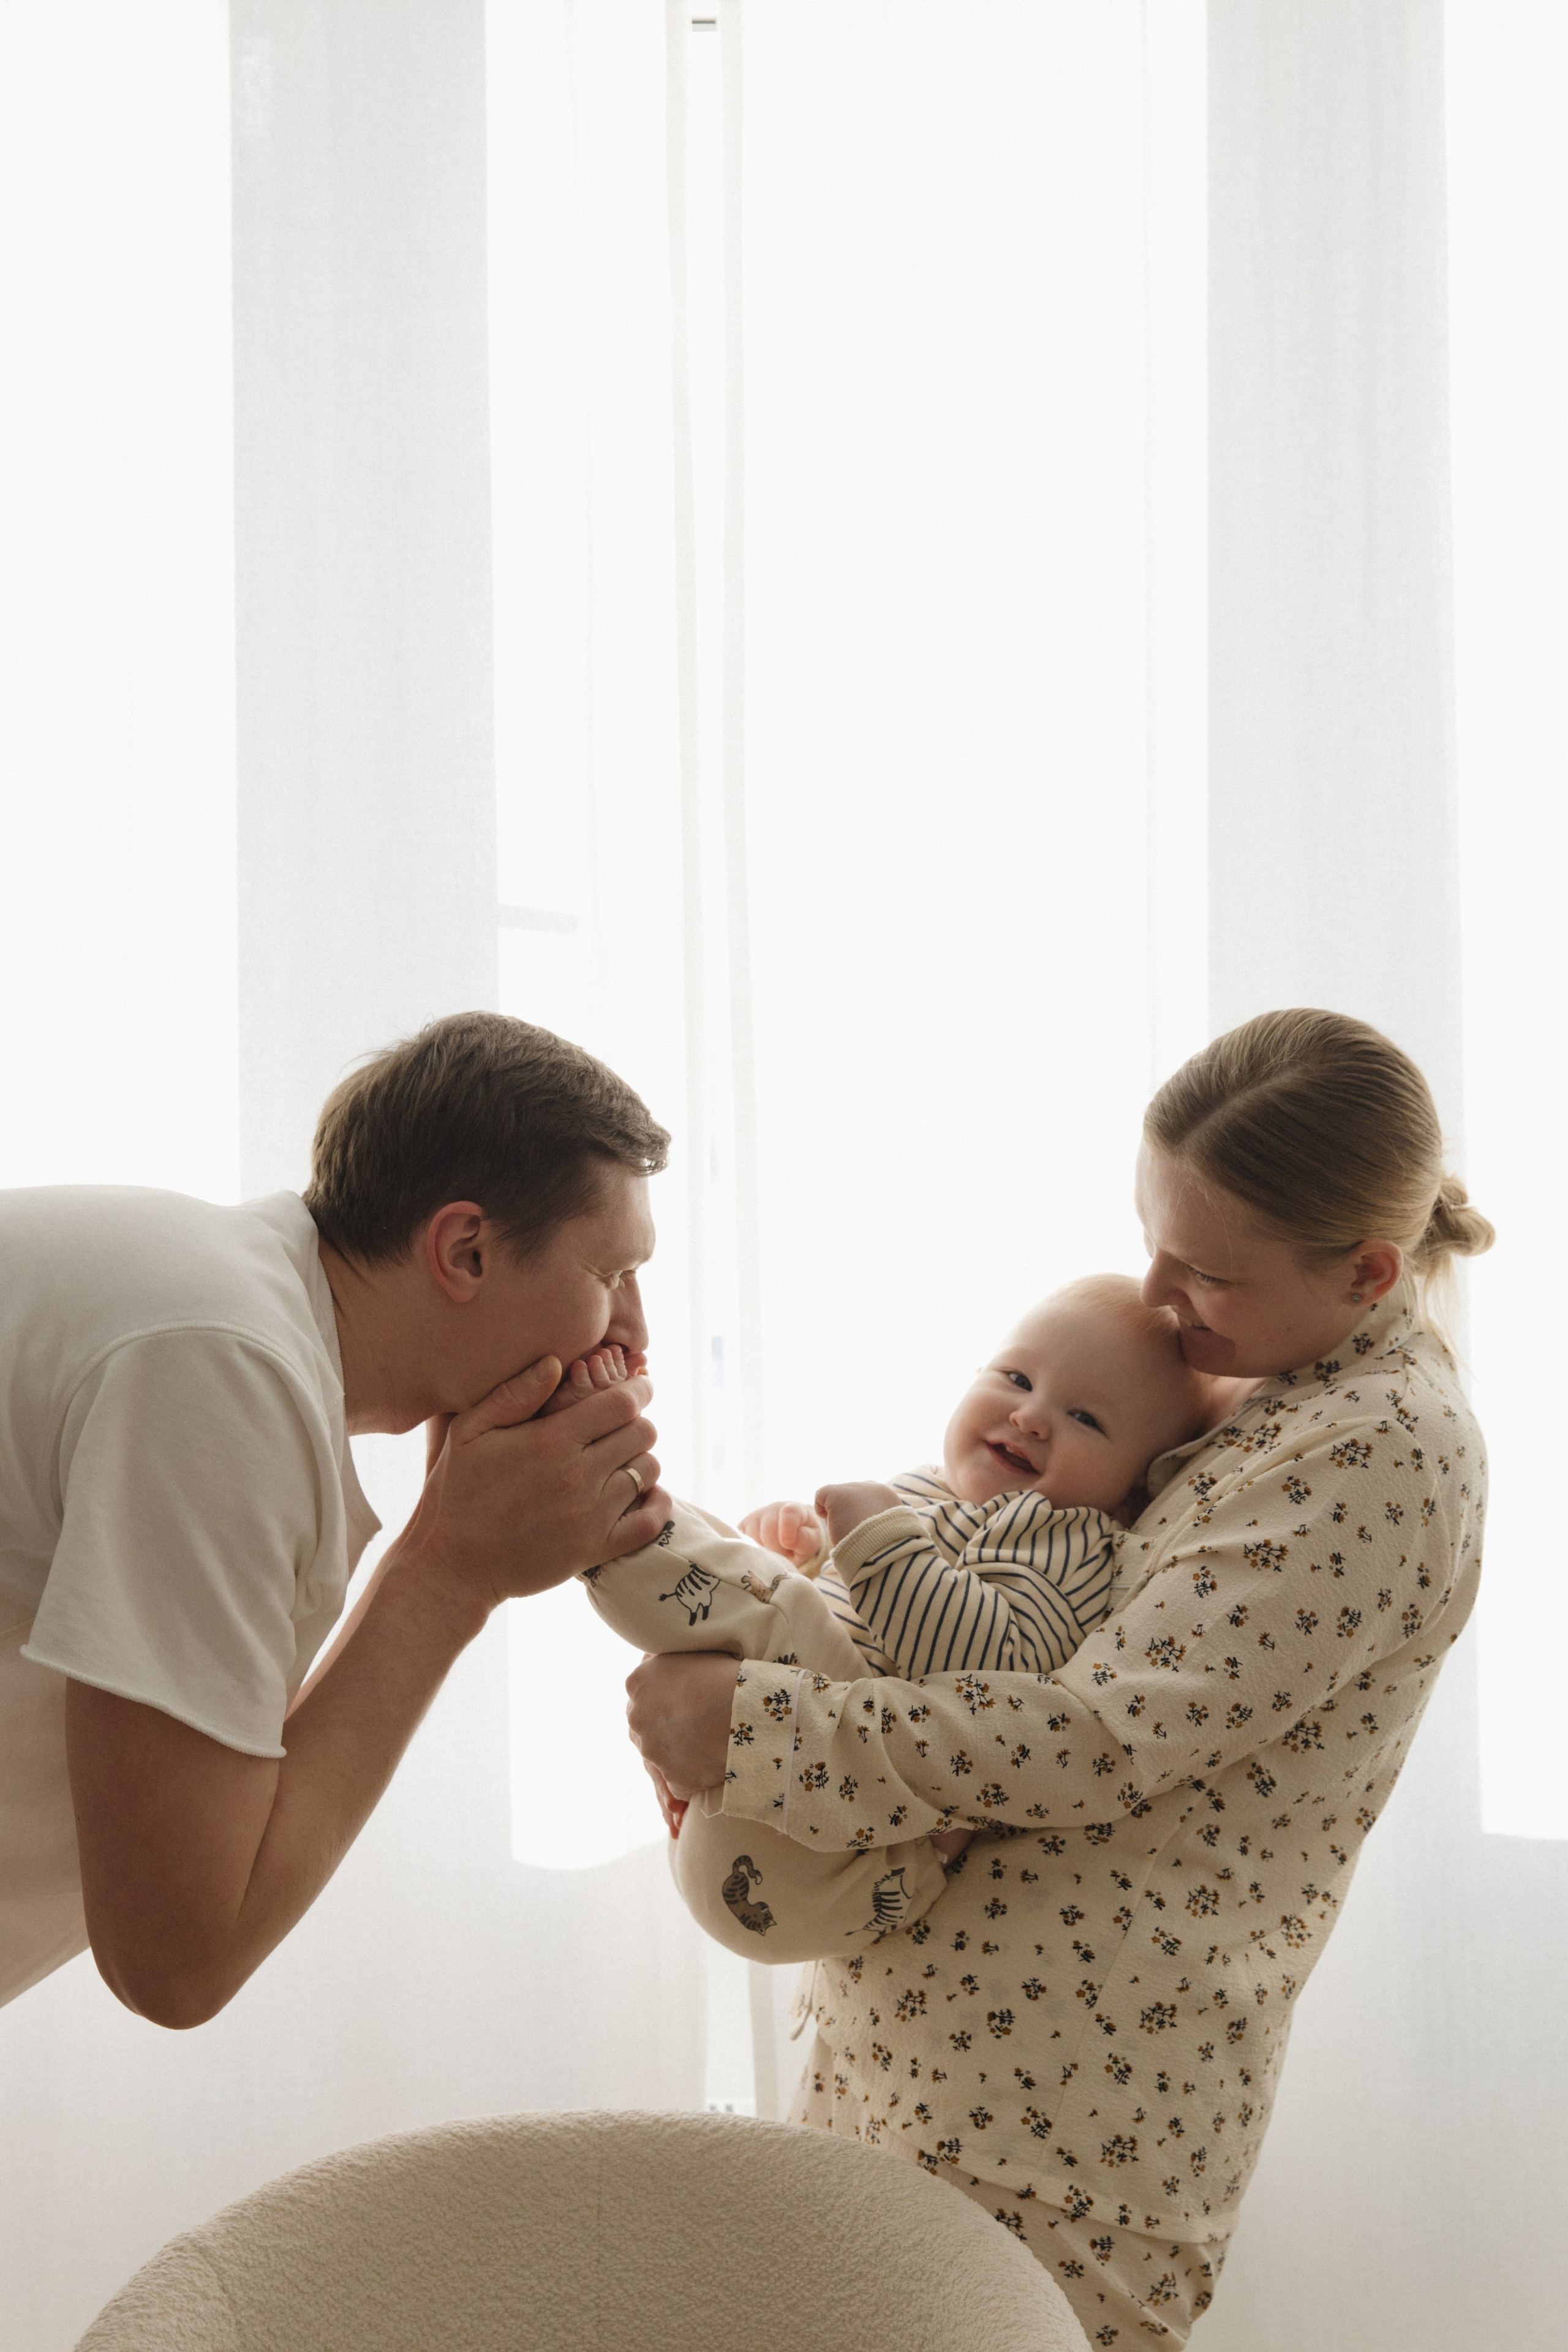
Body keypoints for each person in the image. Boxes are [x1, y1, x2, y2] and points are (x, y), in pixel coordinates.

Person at [624, 1009, 1492, 2347]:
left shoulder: (1377, 1452)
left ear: (1367, 1271)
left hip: (1058, 2134)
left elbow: (1093, 1737)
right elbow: (1017, 1624)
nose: (1154, 1295)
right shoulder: (1268, 1386)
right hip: (932, 2068)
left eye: (1198, 1269)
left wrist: (761, 1736)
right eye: (1149, 1239)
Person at [0, 1012, 672, 2026]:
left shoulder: (230, 1316)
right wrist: (450, 1575)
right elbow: (175, 1963)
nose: (635, 1336)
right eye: (611, 1276)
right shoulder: (226, 1368)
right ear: (467, 1249)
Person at [571, 1276, 1219, 1961]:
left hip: (854, 1862)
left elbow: (979, 1669)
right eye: (1016, 1376)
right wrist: (810, 1554)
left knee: (771, 1612)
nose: (1031, 1416)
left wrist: (875, 1544)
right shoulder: (926, 1490)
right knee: (761, 1593)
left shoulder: (1071, 1543)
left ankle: (594, 1494)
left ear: (1131, 1491)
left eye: (1086, 1418)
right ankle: (611, 1504)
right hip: (744, 1828)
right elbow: (854, 1624)